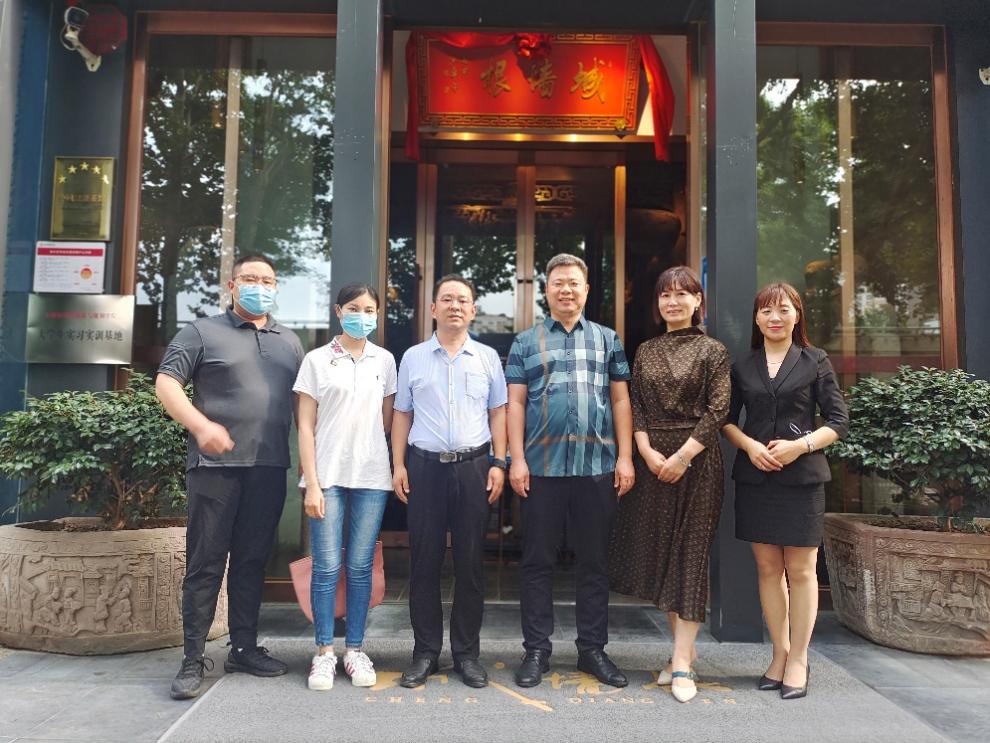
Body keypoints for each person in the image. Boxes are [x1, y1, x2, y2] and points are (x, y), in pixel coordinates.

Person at [157, 255, 304, 700]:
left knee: (252, 561)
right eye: (250, 279)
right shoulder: (201, 332)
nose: (260, 286)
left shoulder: (289, 342)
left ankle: (243, 648)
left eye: (268, 281)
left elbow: (305, 408)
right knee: (205, 563)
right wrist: (201, 426)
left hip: (269, 466)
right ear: (232, 284)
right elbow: (166, 383)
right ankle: (192, 658)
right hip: (215, 470)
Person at [506, 253, 635, 690]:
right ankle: (536, 651)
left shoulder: (607, 339)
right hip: (540, 468)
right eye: (558, 282)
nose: (566, 289)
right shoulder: (525, 342)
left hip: (597, 466)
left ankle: (592, 649)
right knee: (536, 563)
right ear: (546, 290)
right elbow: (515, 403)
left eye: (573, 283)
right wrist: (516, 459)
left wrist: (625, 457)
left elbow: (620, 399)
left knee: (594, 563)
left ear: (586, 289)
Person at [722, 282, 848, 700]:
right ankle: (779, 652)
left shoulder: (815, 360)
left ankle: (799, 658)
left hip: (802, 479)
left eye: (783, 310)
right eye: (766, 311)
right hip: (756, 478)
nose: (774, 318)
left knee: (802, 570)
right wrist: (749, 446)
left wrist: (801, 445)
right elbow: (726, 420)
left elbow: (838, 421)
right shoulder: (743, 365)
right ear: (756, 320)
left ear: (797, 315)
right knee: (767, 569)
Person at [609, 265, 730, 703]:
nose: (673, 301)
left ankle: (680, 662)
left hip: (697, 463)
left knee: (690, 557)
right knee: (665, 558)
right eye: (665, 294)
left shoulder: (713, 351)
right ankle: (685, 651)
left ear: (698, 301)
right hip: (653, 462)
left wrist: (683, 456)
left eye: (683, 294)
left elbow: (718, 410)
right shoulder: (646, 350)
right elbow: (636, 406)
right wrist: (644, 451)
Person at [391, 274, 508, 689]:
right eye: (447, 299)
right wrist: (398, 464)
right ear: (433, 309)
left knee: (470, 563)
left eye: (462, 300)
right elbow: (402, 413)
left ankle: (466, 654)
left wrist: (499, 462)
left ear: (473, 310)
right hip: (424, 468)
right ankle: (425, 653)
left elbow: (499, 412)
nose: (455, 306)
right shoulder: (413, 358)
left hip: (474, 467)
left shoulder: (487, 358)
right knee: (424, 562)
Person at [294, 282, 397, 691]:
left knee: (359, 566)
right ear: (338, 312)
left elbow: (387, 421)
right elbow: (305, 426)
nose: (362, 315)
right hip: (327, 477)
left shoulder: (385, 360)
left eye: (369, 309)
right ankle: (323, 652)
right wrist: (312, 483)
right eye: (353, 308)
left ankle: (354, 649)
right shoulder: (317, 360)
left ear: (377, 314)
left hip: (372, 477)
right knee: (325, 566)